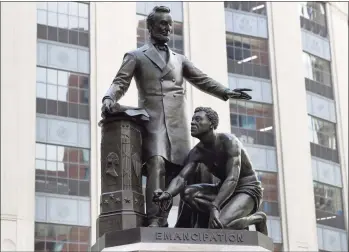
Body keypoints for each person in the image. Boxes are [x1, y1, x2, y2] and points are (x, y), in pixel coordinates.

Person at [101, 6, 252, 227]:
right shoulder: (136, 56)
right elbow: (120, 82)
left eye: (170, 24)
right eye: (162, 24)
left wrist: (225, 92)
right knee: (157, 164)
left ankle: (184, 223)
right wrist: (108, 97)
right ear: (150, 27)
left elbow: (202, 79)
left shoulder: (180, 60)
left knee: (184, 171)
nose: (167, 28)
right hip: (153, 121)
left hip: (180, 123)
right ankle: (155, 219)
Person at [153, 107, 268, 235]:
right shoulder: (197, 152)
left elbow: (232, 179)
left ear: (211, 124)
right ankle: (227, 215)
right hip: (222, 190)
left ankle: (258, 218)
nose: (192, 123)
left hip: (246, 189)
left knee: (221, 227)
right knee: (188, 193)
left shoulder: (229, 142)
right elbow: (181, 178)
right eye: (192, 120)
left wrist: (215, 206)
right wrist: (168, 194)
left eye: (198, 119)